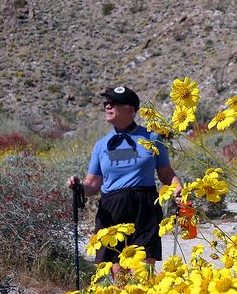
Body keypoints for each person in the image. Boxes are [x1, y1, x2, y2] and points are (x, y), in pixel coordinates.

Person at [68, 85, 181, 281]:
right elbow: (92, 185)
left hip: (144, 207)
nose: (108, 106)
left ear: (131, 109)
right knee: (118, 275)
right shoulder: (101, 145)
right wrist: (79, 186)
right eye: (106, 103)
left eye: (113, 103)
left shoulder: (152, 137)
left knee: (142, 271)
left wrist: (177, 187)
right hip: (112, 210)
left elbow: (165, 172)